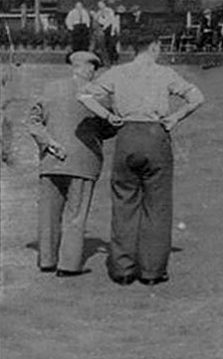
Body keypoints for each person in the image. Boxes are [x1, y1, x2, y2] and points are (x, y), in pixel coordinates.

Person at [78, 30, 204, 286]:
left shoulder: (117, 72)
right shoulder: (165, 73)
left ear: (133, 48)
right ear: (155, 47)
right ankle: (152, 271)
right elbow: (197, 97)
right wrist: (176, 117)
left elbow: (83, 95)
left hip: (127, 135)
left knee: (124, 202)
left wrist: (107, 116)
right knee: (157, 205)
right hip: (155, 134)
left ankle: (123, 270)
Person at [26, 51, 113, 277]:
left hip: (51, 160)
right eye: (95, 69)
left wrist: (50, 143)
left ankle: (46, 260)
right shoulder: (99, 94)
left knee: (48, 213)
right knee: (76, 215)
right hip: (84, 161)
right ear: (90, 69)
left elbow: (33, 122)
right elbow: (109, 127)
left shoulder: (49, 88)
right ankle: (69, 265)